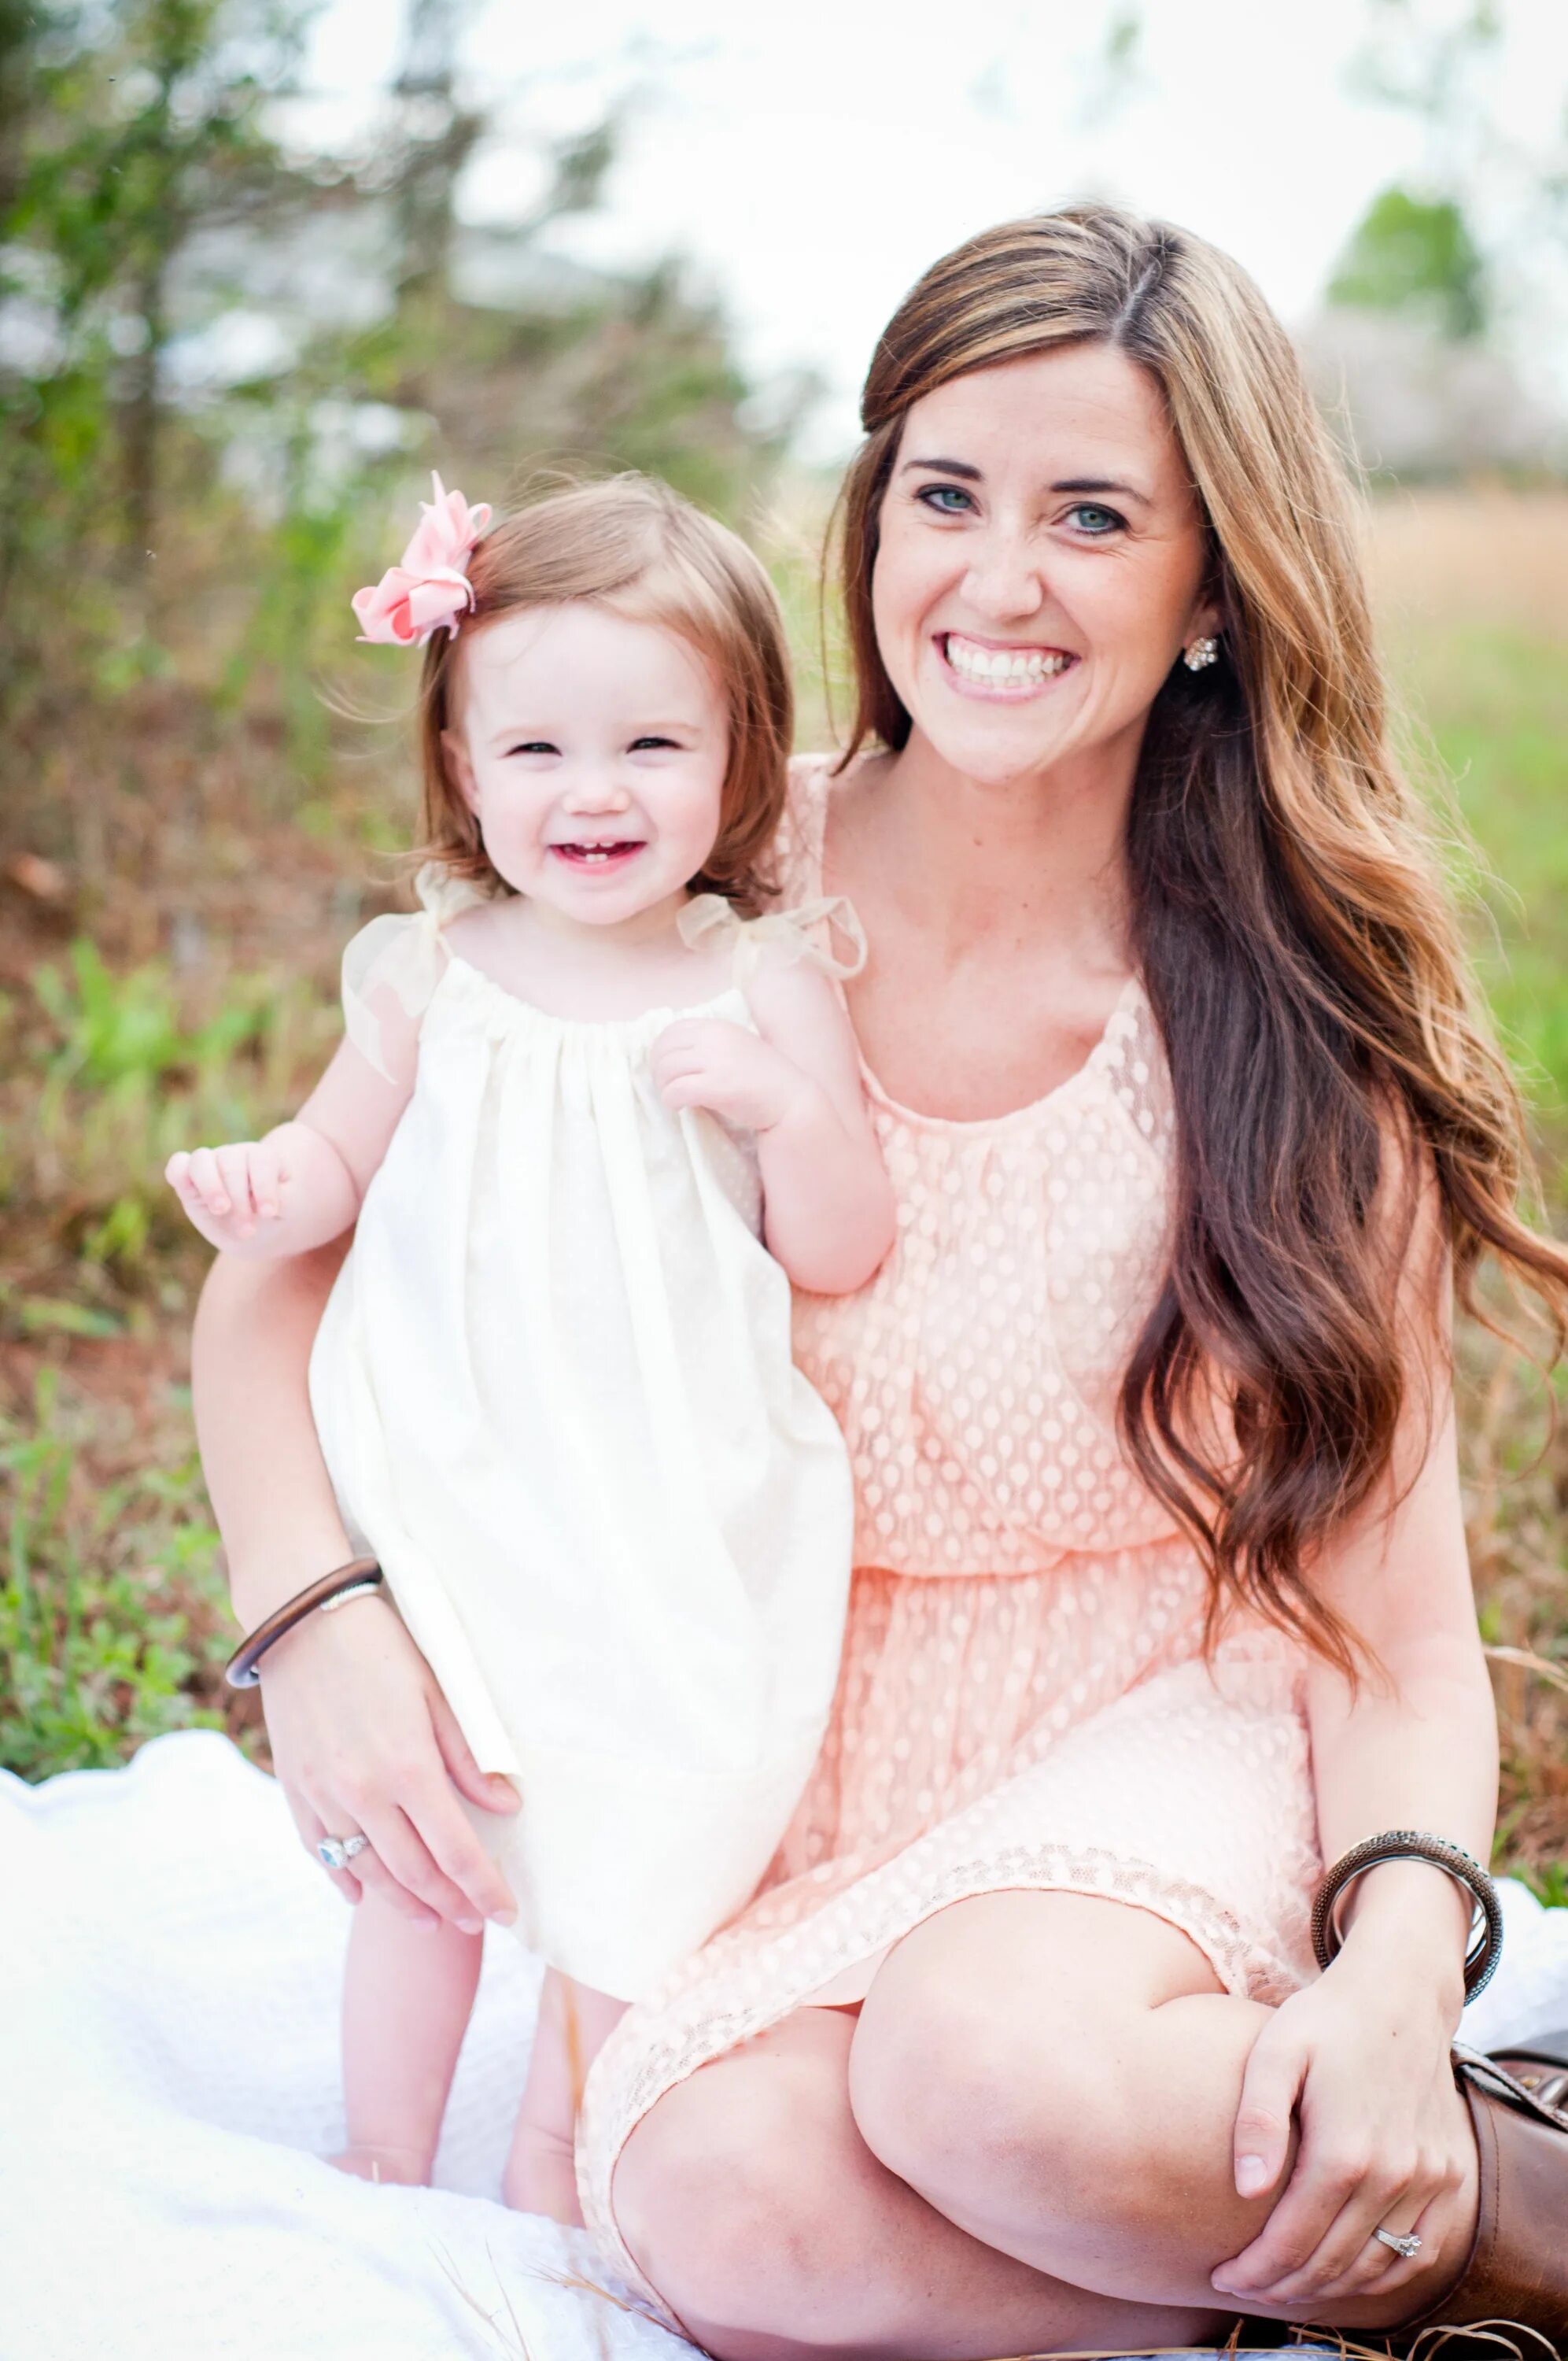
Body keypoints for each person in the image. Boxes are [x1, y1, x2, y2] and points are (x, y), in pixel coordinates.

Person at [190, 206, 1568, 2352]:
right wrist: (325, 1619)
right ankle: (1318, 2281)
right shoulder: (685, 863)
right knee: (729, 2220)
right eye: (947, 494)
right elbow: (289, 1274)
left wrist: (1397, 1970)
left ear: (1214, 586)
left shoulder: (1288, 1020)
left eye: (1092, 515)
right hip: (747, 1746)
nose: (995, 582)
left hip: (1139, 1725)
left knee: (982, 2065)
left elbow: (1393, 1632)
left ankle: (1500, 2193)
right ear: (871, 514)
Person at [168, 473, 894, 2219]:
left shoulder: (759, 980)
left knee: (630, 1822)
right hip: (453, 1475)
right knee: (436, 1831)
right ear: (462, 769)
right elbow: (340, 1159)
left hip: (657, 1491)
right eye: (537, 752)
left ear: (736, 766)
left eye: (653, 745)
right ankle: (381, 2150)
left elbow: (844, 1241)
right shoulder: (435, 969)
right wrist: (273, 1184)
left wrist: (788, 1113)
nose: (592, 792)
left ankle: (564, 2156)